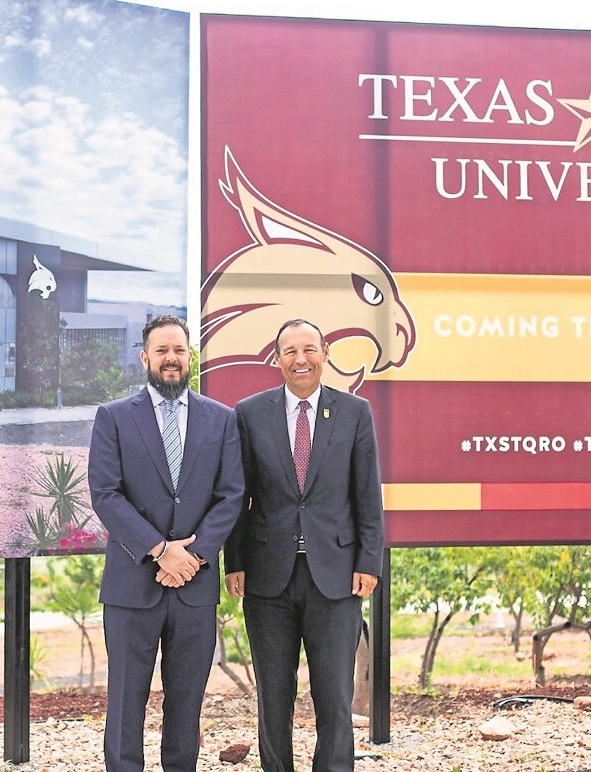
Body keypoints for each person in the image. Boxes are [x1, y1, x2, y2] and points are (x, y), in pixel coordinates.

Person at [224, 318, 385, 772]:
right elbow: (239, 494)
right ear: (276, 359)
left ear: (326, 353)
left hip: (336, 577)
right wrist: (234, 560)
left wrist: (369, 561)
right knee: (274, 696)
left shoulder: (354, 412)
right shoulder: (249, 413)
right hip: (266, 577)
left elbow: (367, 496)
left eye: (309, 349)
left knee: (333, 696)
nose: (301, 359)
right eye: (290, 351)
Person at [89, 314, 244, 772]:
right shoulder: (113, 418)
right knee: (125, 703)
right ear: (145, 357)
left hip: (193, 588)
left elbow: (232, 495)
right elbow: (106, 494)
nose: (171, 359)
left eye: (179, 350)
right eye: (162, 351)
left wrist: (192, 556)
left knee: (186, 703)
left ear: (190, 356)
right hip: (132, 586)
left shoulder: (222, 419)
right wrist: (161, 550)